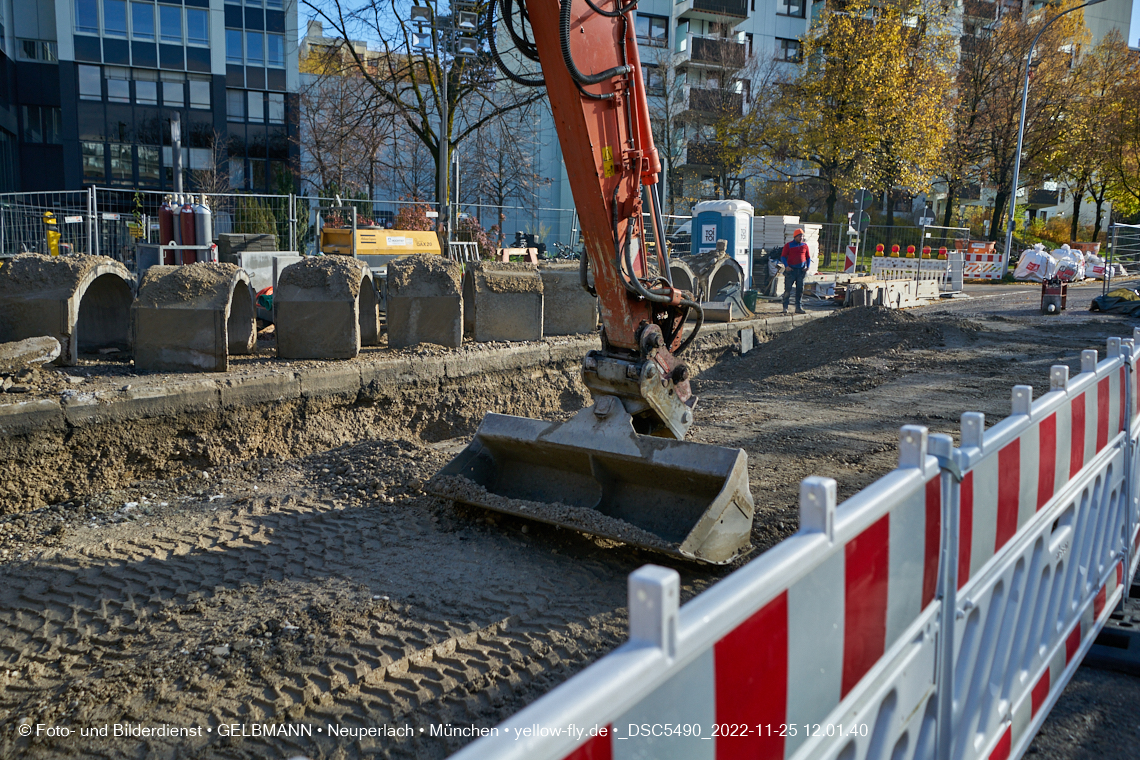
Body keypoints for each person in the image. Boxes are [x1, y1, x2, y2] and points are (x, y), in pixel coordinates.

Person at [780, 228, 811, 314]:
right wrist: (786, 266)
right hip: (791, 270)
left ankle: (798, 307)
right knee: (788, 289)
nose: (801, 238)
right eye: (799, 236)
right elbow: (783, 256)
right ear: (795, 236)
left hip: (801, 271)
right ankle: (785, 307)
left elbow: (808, 257)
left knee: (800, 290)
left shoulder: (805, 246)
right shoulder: (788, 245)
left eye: (802, 236)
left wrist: (807, 266)